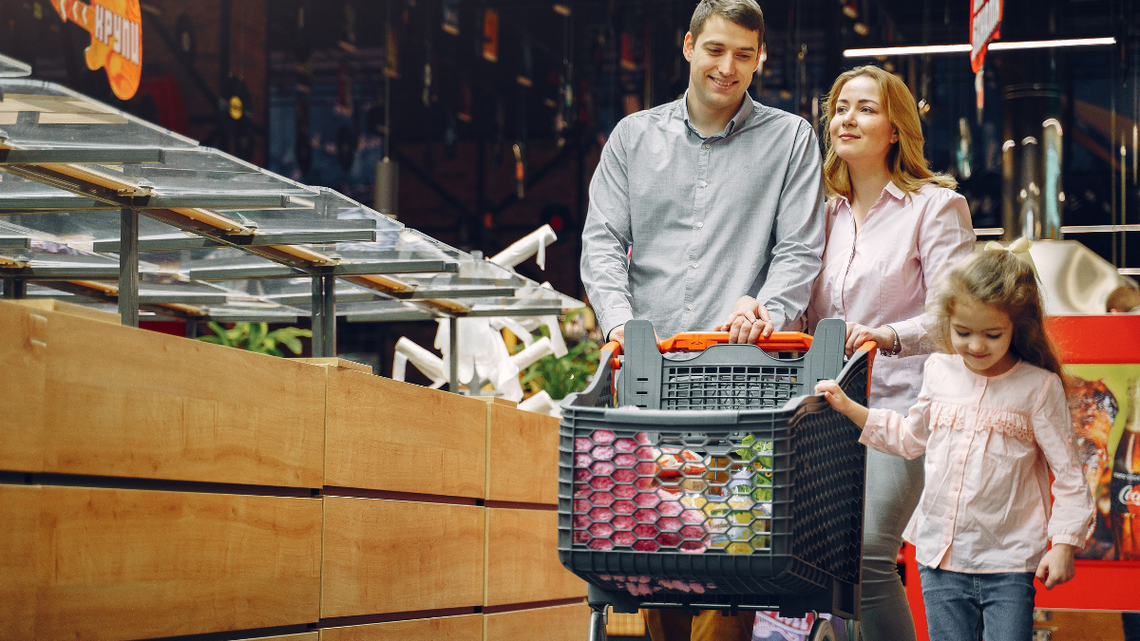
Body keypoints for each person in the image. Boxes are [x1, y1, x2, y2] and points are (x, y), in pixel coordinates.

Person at [579, 0, 826, 638]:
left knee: (734, 551)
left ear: (759, 59)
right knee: (657, 550)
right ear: (688, 46)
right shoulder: (634, 138)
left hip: (743, 380)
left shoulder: (791, 139)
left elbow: (798, 249)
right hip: (647, 379)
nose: (728, 67)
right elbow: (602, 241)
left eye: (744, 55)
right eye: (716, 50)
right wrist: (618, 326)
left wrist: (768, 311)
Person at [719, 64, 974, 639]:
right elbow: (800, 307)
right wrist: (761, 311)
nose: (847, 119)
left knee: (867, 555)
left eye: (865, 108)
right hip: (823, 412)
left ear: (895, 129)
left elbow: (958, 316)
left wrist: (888, 336)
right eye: (840, 108)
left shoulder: (934, 208)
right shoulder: (817, 216)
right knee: (826, 566)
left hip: (901, 408)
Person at [814, 247, 1096, 641]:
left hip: (1009, 563)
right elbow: (911, 437)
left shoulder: (1038, 387)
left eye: (992, 334)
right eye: (963, 332)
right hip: (940, 560)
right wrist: (851, 408)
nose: (976, 346)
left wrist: (1064, 543)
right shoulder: (939, 370)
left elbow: (1069, 475)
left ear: (1019, 325)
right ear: (948, 322)